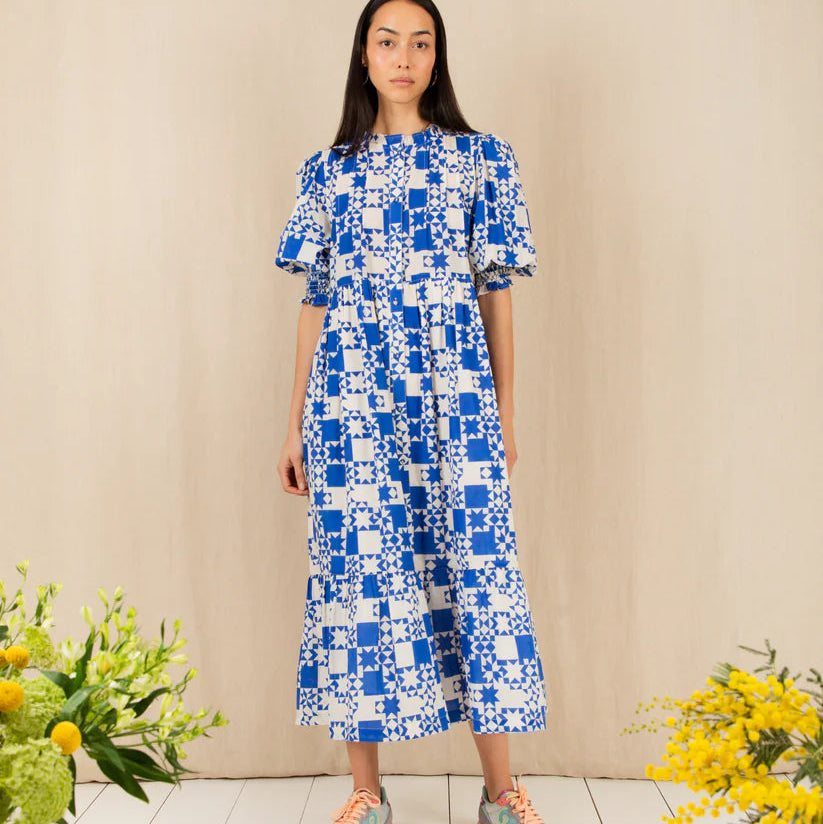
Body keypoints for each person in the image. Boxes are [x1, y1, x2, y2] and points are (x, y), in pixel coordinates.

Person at [276, 1, 549, 822]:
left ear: (437, 57)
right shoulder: (327, 171)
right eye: (387, 42)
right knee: (362, 580)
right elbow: (315, 302)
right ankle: (366, 791)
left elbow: (494, 292)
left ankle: (501, 791)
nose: (404, 57)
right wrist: (292, 425)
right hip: (351, 400)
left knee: (480, 571)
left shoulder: (480, 160)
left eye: (420, 42)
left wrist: (500, 409)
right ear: (364, 57)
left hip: (453, 396)